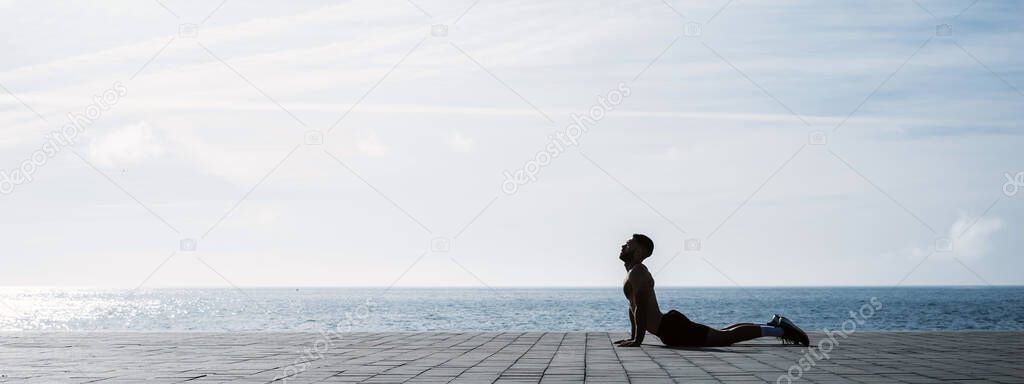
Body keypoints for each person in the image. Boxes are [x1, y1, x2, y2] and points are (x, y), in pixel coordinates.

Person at [614, 234, 810, 348]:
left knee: (726, 337)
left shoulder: (638, 272)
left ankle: (781, 329)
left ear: (639, 252)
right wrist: (633, 337)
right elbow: (633, 308)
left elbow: (640, 308)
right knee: (723, 333)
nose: (624, 245)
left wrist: (637, 341)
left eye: (629, 244)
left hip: (671, 329)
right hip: (669, 328)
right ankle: (773, 324)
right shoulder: (633, 272)